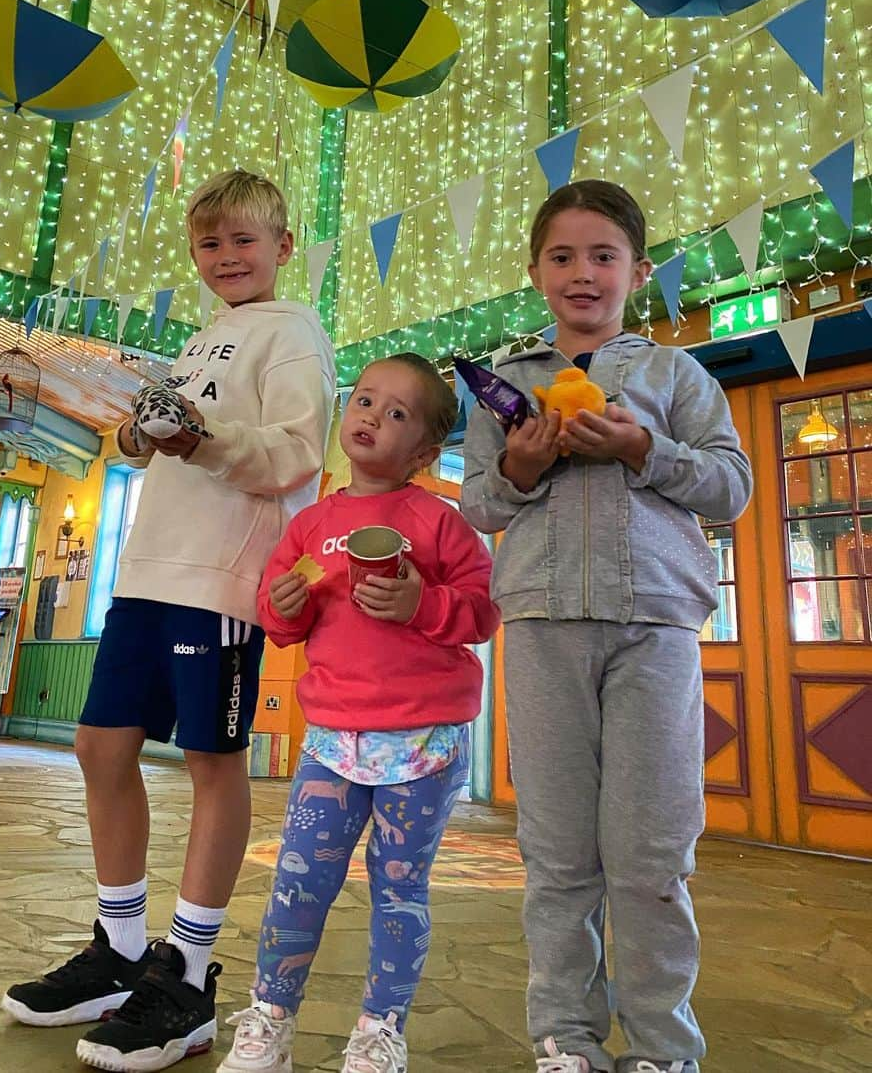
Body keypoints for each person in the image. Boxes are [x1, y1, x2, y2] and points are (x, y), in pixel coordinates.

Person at [4, 169, 336, 1072]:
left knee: (210, 759)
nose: (226, 257)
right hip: (146, 570)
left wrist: (199, 439)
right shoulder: (199, 340)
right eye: (209, 244)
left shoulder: (295, 330)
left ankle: (185, 975)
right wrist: (144, 434)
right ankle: (118, 950)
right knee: (100, 748)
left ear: (283, 246)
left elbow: (299, 454)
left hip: (220, 581)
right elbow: (178, 438)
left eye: (244, 240)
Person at [461, 180, 752, 1073]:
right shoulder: (506, 386)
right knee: (555, 849)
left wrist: (641, 449)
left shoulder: (678, 375)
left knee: (652, 848)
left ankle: (665, 1049)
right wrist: (520, 463)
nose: (582, 273)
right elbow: (479, 503)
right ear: (536, 272)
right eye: (561, 256)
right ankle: (565, 1036)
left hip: (655, 627)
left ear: (638, 269)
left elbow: (731, 487)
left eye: (603, 255)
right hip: (543, 623)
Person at [218, 353, 501, 1073]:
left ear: (426, 451)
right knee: (299, 878)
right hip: (332, 740)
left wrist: (422, 603)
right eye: (365, 399)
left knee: (400, 887)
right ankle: (270, 1020)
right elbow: (282, 614)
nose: (372, 415)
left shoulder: (440, 522)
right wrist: (281, 606)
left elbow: (482, 610)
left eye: (397, 412)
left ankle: (380, 1031)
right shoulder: (313, 525)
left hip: (424, 741)